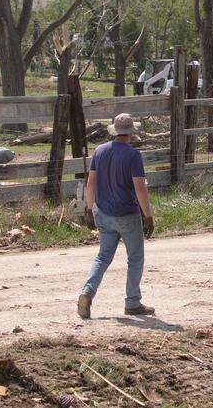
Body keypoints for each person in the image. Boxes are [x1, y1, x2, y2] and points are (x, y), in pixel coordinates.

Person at [77, 113, 155, 319]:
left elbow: (90, 182)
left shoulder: (100, 151)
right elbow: (139, 187)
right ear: (131, 132)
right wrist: (148, 215)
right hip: (127, 214)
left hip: (103, 212)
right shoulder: (132, 155)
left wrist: (91, 207)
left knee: (103, 257)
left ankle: (87, 292)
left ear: (114, 131)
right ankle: (132, 302)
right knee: (135, 257)